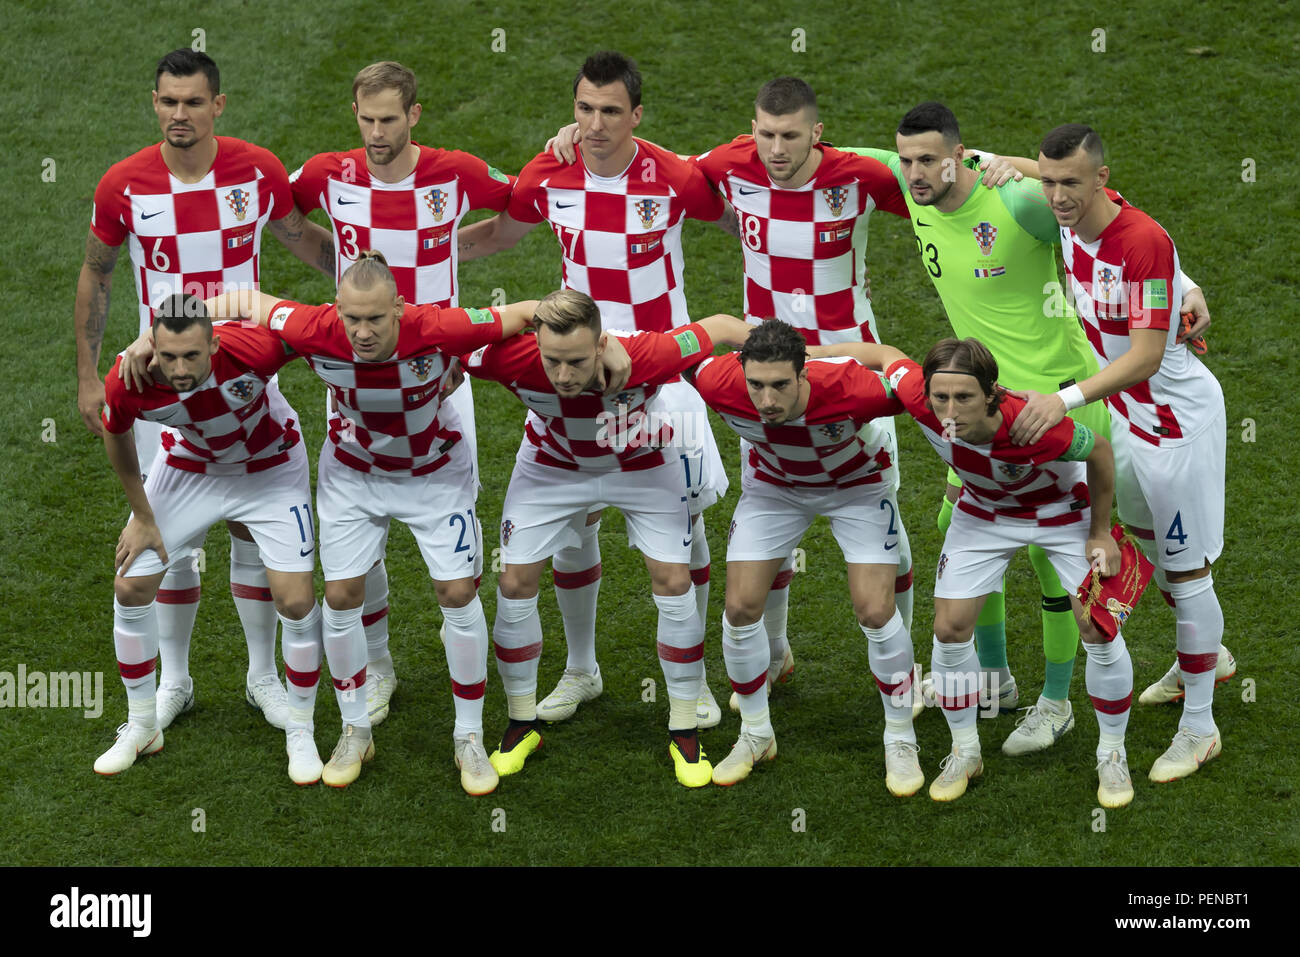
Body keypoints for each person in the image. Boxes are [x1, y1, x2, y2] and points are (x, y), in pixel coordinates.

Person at [839, 102, 1230, 736]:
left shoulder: (1030, 208)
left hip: (1082, 402)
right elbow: (1078, 190)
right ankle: (994, 678)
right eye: (907, 160)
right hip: (1004, 404)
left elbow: (1119, 221)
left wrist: (1182, 283)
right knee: (978, 526)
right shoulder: (941, 182)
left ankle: (1064, 703)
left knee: (1108, 559)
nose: (913, 171)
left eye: (927, 160)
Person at [458, 51, 728, 729]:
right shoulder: (547, 172)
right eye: (585, 109)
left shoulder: (675, 176)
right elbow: (498, 234)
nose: (597, 124)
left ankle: (692, 687)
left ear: (638, 114)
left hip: (660, 377)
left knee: (685, 536)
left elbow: (742, 219)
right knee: (574, 536)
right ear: (572, 110)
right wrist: (413, 248)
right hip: (573, 373)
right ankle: (582, 669)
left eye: (612, 111)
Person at [204, 252, 538, 793]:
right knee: (339, 598)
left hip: (433, 472)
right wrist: (163, 328)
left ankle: (469, 736)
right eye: (351, 318)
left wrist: (604, 341)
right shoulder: (315, 327)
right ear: (336, 310)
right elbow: (246, 302)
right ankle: (355, 729)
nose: (361, 332)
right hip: (353, 476)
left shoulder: (439, 327)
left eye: (375, 320)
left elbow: (524, 313)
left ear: (400, 311)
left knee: (456, 592)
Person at [74, 49, 332, 733]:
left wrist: (374, 290)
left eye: (192, 102)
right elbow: (97, 274)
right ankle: (177, 682)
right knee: (169, 544)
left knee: (252, 523)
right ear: (153, 102)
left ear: (219, 105)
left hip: (240, 367)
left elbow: (303, 240)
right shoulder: (123, 184)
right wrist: (85, 374)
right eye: (167, 101)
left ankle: (261, 678)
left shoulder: (258, 169)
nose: (178, 114)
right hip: (159, 380)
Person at [287, 60, 515, 728]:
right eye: (366, 119)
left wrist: (451, 247)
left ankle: (461, 680)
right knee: (361, 536)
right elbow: (284, 219)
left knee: (452, 553)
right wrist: (338, 267)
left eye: (390, 119)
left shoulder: (456, 172)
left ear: (415, 114)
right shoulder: (329, 173)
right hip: (358, 377)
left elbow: (521, 211)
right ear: (354, 112)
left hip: (439, 375)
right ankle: (378, 667)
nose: (377, 132)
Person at [461, 290, 753, 787]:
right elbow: (440, 335)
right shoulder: (509, 357)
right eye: (552, 361)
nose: (564, 375)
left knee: (674, 582)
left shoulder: (651, 354)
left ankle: (684, 731)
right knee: (512, 585)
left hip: (642, 464)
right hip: (552, 468)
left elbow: (724, 325)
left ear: (601, 346)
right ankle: (521, 724)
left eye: (577, 361)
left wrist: (808, 360)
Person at [1011, 125, 1229, 783]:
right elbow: (1046, 172)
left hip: (1176, 425)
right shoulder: (1077, 214)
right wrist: (994, 161)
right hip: (1130, 421)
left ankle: (1201, 726)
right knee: (1146, 545)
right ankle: (1209, 655)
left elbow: (1147, 355)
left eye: (1070, 183)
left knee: (1186, 572)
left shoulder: (1142, 241)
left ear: (1102, 179)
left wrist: (1064, 397)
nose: (1055, 196)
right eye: (1047, 182)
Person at [872, 337, 1135, 806]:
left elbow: (1098, 452)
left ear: (991, 393)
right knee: (949, 630)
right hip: (985, 514)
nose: (949, 410)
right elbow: (885, 354)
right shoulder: (919, 396)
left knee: (1097, 628)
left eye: (964, 398)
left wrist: (1099, 533)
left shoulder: (1032, 426)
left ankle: (1112, 754)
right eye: (941, 398)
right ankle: (965, 751)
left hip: (1060, 512)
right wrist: (804, 353)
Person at [686, 320, 923, 795]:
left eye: (779, 386)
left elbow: (915, 383)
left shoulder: (853, 388)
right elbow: (665, 353)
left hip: (858, 489)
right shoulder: (716, 381)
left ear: (805, 374)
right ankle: (755, 734)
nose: (767, 400)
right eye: (756, 385)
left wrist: (892, 357)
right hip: (774, 490)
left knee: (876, 611)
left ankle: (901, 736)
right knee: (738, 609)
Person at [95, 295, 324, 785]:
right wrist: (142, 514)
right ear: (151, 346)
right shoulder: (127, 377)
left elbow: (320, 331)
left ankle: (298, 724)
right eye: (169, 355)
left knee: (298, 601)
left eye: (193, 356)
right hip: (189, 467)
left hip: (270, 465)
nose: (180, 368)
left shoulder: (254, 348)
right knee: (131, 584)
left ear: (215, 345)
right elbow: (116, 433)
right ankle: (143, 723)